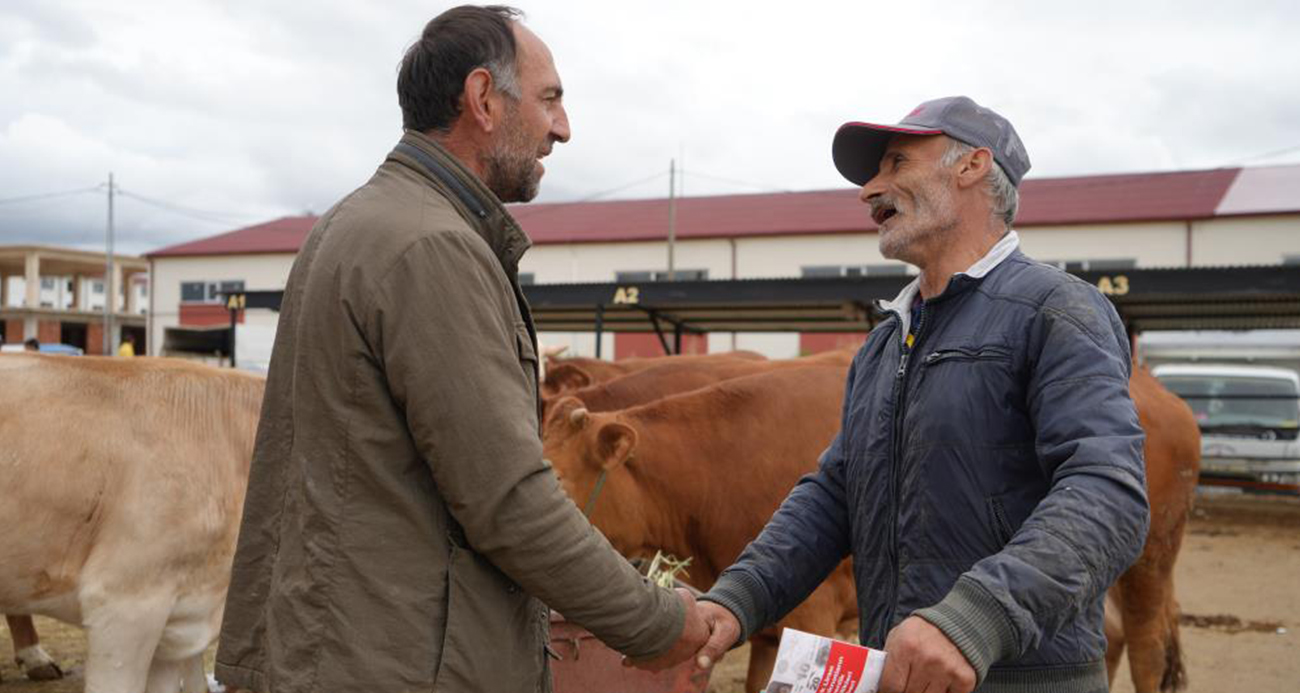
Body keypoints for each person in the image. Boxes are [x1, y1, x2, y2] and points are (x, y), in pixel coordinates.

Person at [214, 6, 706, 693]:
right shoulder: (432, 248)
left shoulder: (351, 224)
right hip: (404, 663)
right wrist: (655, 620)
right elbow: (508, 502)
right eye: (550, 99)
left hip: (339, 645)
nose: (562, 128)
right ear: (482, 99)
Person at [691, 97, 1150, 693]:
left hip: (1022, 678)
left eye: (896, 163)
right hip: (899, 674)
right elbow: (835, 494)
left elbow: (1108, 494)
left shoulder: (1056, 311)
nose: (869, 190)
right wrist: (735, 601)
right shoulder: (886, 344)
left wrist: (973, 620)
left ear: (972, 166)